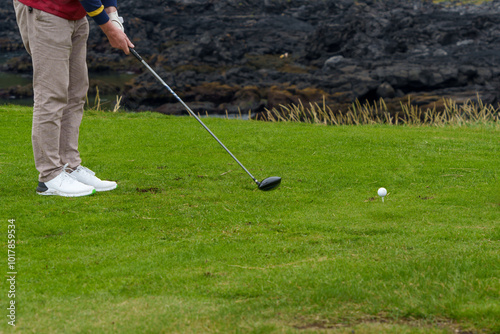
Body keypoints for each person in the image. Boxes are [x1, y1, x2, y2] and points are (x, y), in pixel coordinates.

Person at [13, 0, 134, 197]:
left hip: (75, 14)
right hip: (46, 10)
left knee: (75, 94)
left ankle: (69, 166)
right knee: (51, 95)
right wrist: (109, 29)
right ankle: (49, 177)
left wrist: (113, 15)